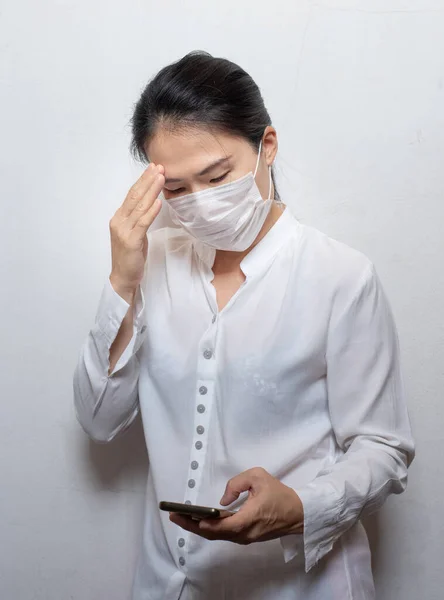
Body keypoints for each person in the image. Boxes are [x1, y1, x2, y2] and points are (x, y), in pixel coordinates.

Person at [73, 51, 415, 600]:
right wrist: (122, 280)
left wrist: (302, 507)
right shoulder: (151, 266)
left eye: (217, 176)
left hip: (303, 585)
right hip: (169, 583)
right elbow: (97, 420)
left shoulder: (340, 278)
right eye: (177, 190)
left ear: (267, 147)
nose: (201, 203)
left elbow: (384, 447)